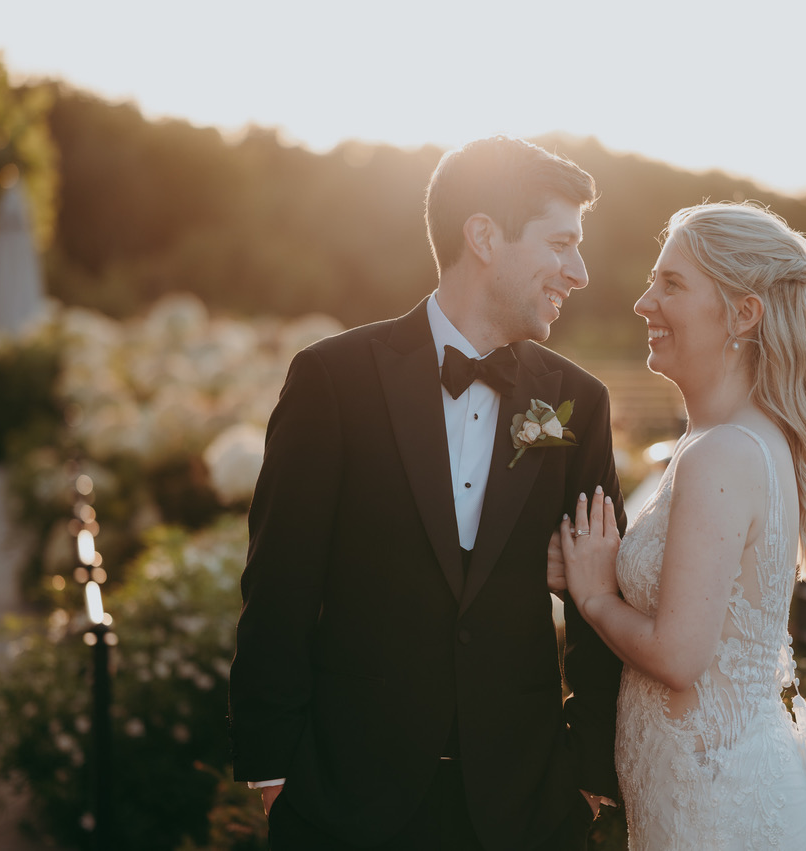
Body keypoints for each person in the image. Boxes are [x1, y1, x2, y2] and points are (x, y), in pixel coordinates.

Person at [229, 135, 626, 851]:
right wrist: (275, 772)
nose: (580, 271)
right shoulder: (333, 379)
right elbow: (280, 581)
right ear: (482, 235)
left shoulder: (578, 401)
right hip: (345, 799)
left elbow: (603, 598)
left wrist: (590, 774)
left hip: (524, 806)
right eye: (560, 242)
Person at [553, 202, 806, 848]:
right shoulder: (733, 440)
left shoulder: (722, 452)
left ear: (743, 313)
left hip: (717, 807)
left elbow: (679, 654)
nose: (645, 302)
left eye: (671, 284)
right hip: (700, 790)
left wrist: (593, 597)